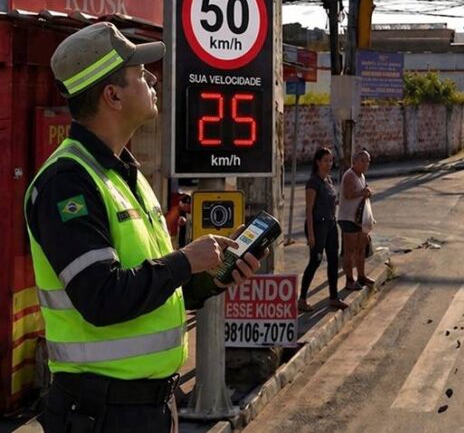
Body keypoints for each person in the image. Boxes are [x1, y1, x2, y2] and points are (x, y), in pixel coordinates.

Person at [25, 22, 263, 433]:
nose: (152, 79)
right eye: (139, 74)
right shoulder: (68, 183)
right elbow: (102, 297)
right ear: (112, 95)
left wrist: (208, 280)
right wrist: (186, 261)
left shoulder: (126, 175)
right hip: (102, 413)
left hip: (148, 407)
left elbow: (149, 287)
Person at [298, 147, 347, 312]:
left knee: (333, 261)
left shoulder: (329, 181)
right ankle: (302, 298)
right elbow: (309, 209)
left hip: (331, 225)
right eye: (325, 160)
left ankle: (333, 297)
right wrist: (311, 234)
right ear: (318, 162)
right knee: (315, 261)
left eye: (330, 160)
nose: (328, 164)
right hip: (318, 226)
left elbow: (332, 202)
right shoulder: (313, 182)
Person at [339, 150, 376, 289]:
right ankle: (349, 280)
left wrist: (366, 192)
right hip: (348, 218)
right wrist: (363, 193)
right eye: (362, 161)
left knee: (361, 248)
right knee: (350, 250)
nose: (365, 164)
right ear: (354, 162)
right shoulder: (350, 175)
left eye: (367, 161)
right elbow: (348, 195)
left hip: (360, 219)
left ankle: (361, 276)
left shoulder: (362, 176)